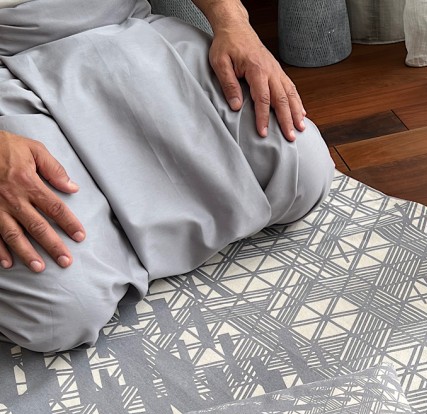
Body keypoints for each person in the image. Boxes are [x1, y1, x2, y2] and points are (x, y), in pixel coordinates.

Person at [0, 0, 334, 352]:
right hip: (8, 68)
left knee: (305, 176)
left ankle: (117, 243)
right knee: (61, 315)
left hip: (128, 28)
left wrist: (234, 24)